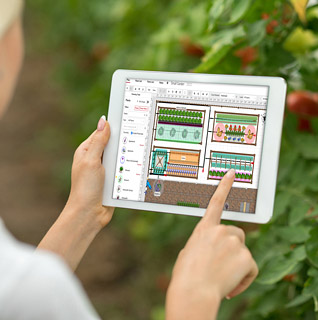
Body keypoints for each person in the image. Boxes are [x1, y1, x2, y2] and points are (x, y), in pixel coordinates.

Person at [0, 2, 258, 319]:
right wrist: (195, 295)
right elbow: (24, 291)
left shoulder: (22, 282)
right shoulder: (31, 287)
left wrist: (84, 210)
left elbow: (21, 301)